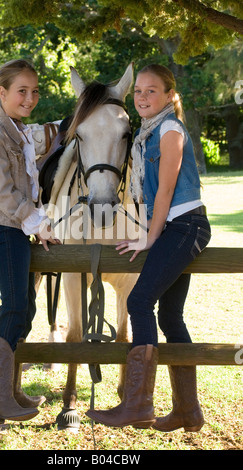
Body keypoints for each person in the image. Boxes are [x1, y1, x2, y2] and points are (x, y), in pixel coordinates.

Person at [86, 64, 211, 432]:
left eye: (151, 91)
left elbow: (167, 192)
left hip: (184, 226)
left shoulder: (169, 130)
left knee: (139, 302)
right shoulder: (146, 134)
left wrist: (149, 237)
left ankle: (137, 404)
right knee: (171, 317)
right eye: (138, 91)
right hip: (176, 228)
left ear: (170, 95)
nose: (142, 97)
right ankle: (188, 410)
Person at [0, 59, 60, 425]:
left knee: (26, 306)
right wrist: (38, 222)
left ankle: (10, 390)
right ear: (2, 92)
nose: (30, 97)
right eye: (22, 91)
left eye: (35, 90)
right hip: (3, 229)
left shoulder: (17, 130)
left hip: (16, 230)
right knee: (13, 307)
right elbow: (2, 192)